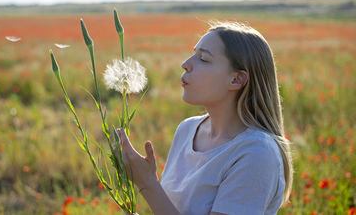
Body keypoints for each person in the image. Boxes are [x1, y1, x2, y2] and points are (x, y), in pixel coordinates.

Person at [116, 21, 293, 215]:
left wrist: (146, 183)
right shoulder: (187, 130)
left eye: (203, 59)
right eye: (194, 54)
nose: (186, 64)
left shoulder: (256, 154)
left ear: (236, 79)